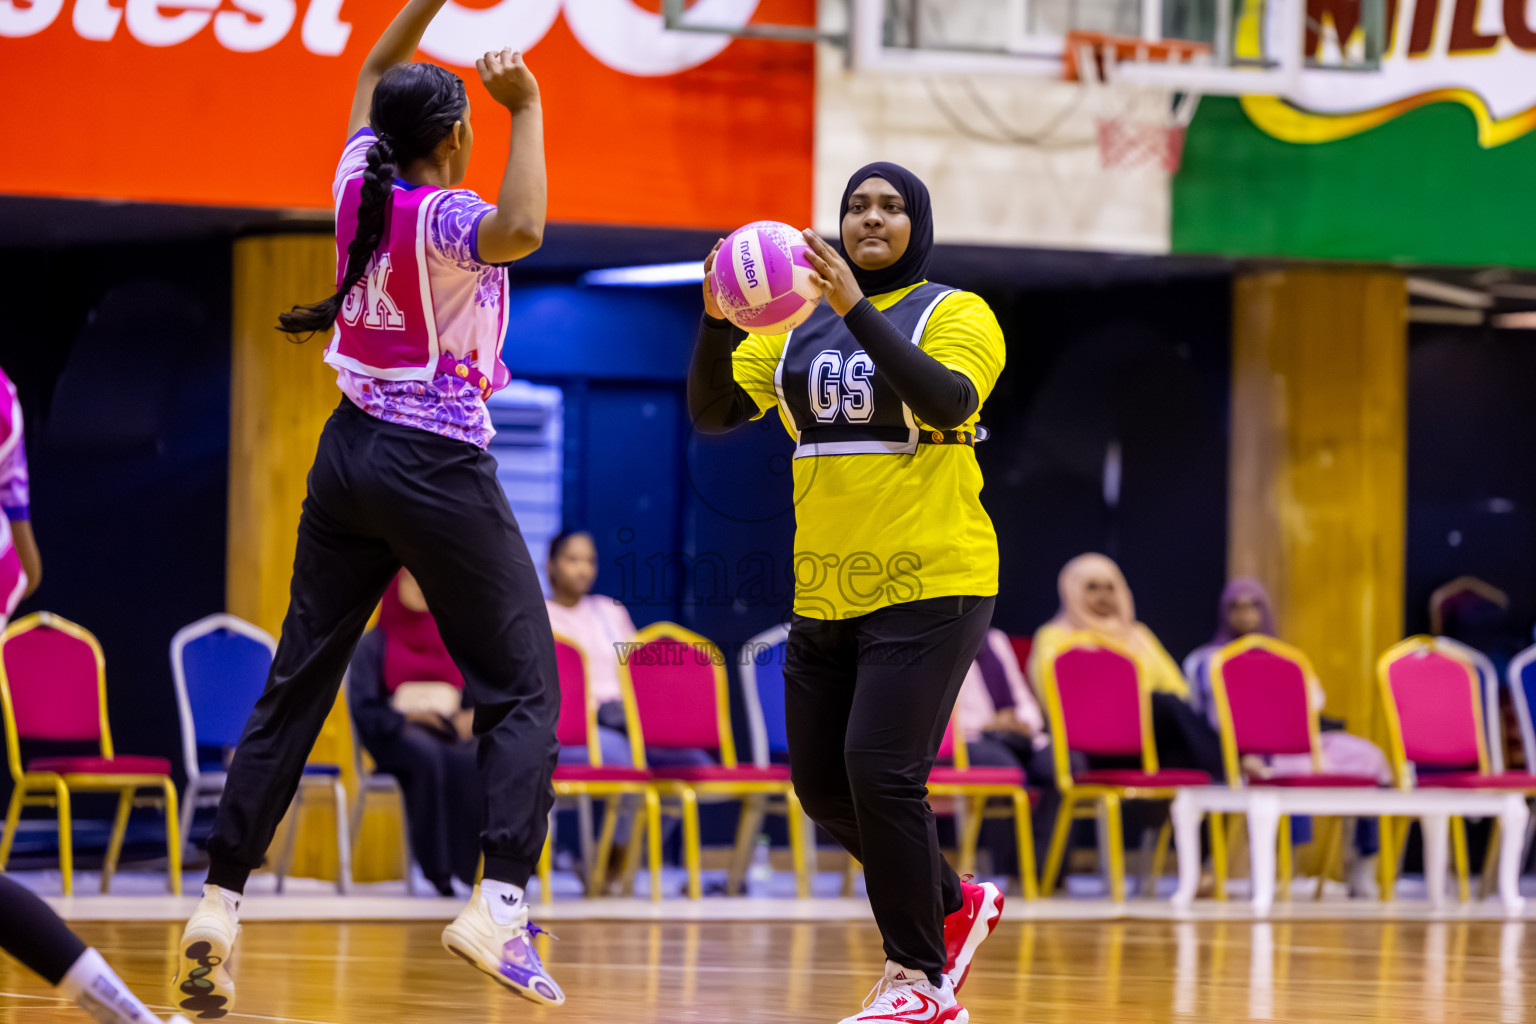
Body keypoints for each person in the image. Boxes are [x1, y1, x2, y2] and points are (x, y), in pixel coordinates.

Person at [172, 0, 564, 1014]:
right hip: (435, 464)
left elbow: (372, 66)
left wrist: (423, 8)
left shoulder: (357, 181)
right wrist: (527, 106)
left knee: (297, 679)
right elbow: (521, 228)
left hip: (346, 456)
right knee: (524, 685)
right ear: (454, 137)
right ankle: (501, 900)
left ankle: (218, 899)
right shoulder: (440, 214)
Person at [689, 162, 1006, 1024]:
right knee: (823, 786)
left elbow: (945, 401)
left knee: (882, 771)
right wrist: (715, 320)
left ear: (918, 224)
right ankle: (954, 901)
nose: (872, 218)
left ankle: (921, 982)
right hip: (826, 589)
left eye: (892, 207)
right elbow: (715, 412)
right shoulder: (789, 329)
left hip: (933, 580)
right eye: (857, 206)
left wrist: (855, 308)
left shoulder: (957, 313)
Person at [1186, 578, 1387, 891]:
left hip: (1299, 744)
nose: (1245, 614)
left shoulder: (1290, 660)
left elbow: (1314, 703)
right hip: (1241, 750)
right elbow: (1209, 716)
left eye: (1254, 605)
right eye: (1236, 607)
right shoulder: (1206, 662)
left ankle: (1363, 863)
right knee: (1281, 766)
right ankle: (1275, 869)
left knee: (1369, 758)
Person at [348, 570, 482, 896]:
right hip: (396, 736)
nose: (422, 589)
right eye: (412, 581)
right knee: (425, 753)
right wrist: (406, 719)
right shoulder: (374, 644)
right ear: (394, 587)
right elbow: (364, 709)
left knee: (480, 754)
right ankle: (438, 870)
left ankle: (473, 869)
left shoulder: (454, 638)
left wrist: (470, 716)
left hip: (449, 734)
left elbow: (474, 696)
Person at [1030, 554, 1224, 779]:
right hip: (1090, 731)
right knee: (1167, 706)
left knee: (1177, 748)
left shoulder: (1138, 635)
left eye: (1110, 588)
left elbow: (1176, 687)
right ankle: (1227, 770)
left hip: (1144, 734)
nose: (1103, 596)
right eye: (1092, 587)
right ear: (1072, 591)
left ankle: (1203, 799)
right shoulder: (1055, 636)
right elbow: (1052, 699)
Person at [954, 627, 1060, 873]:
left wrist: (1023, 720)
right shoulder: (943, 638)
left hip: (1015, 734)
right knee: (1007, 767)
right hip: (971, 737)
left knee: (1062, 765)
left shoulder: (996, 639)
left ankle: (1049, 871)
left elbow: (1019, 691)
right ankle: (1015, 869)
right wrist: (990, 722)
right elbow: (944, 710)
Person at [543, 530, 636, 768]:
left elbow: (637, 670)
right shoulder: (540, 616)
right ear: (551, 564)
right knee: (626, 756)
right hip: (574, 722)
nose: (583, 569)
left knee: (686, 757)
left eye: (590, 561)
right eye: (572, 560)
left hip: (626, 717)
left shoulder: (609, 611)